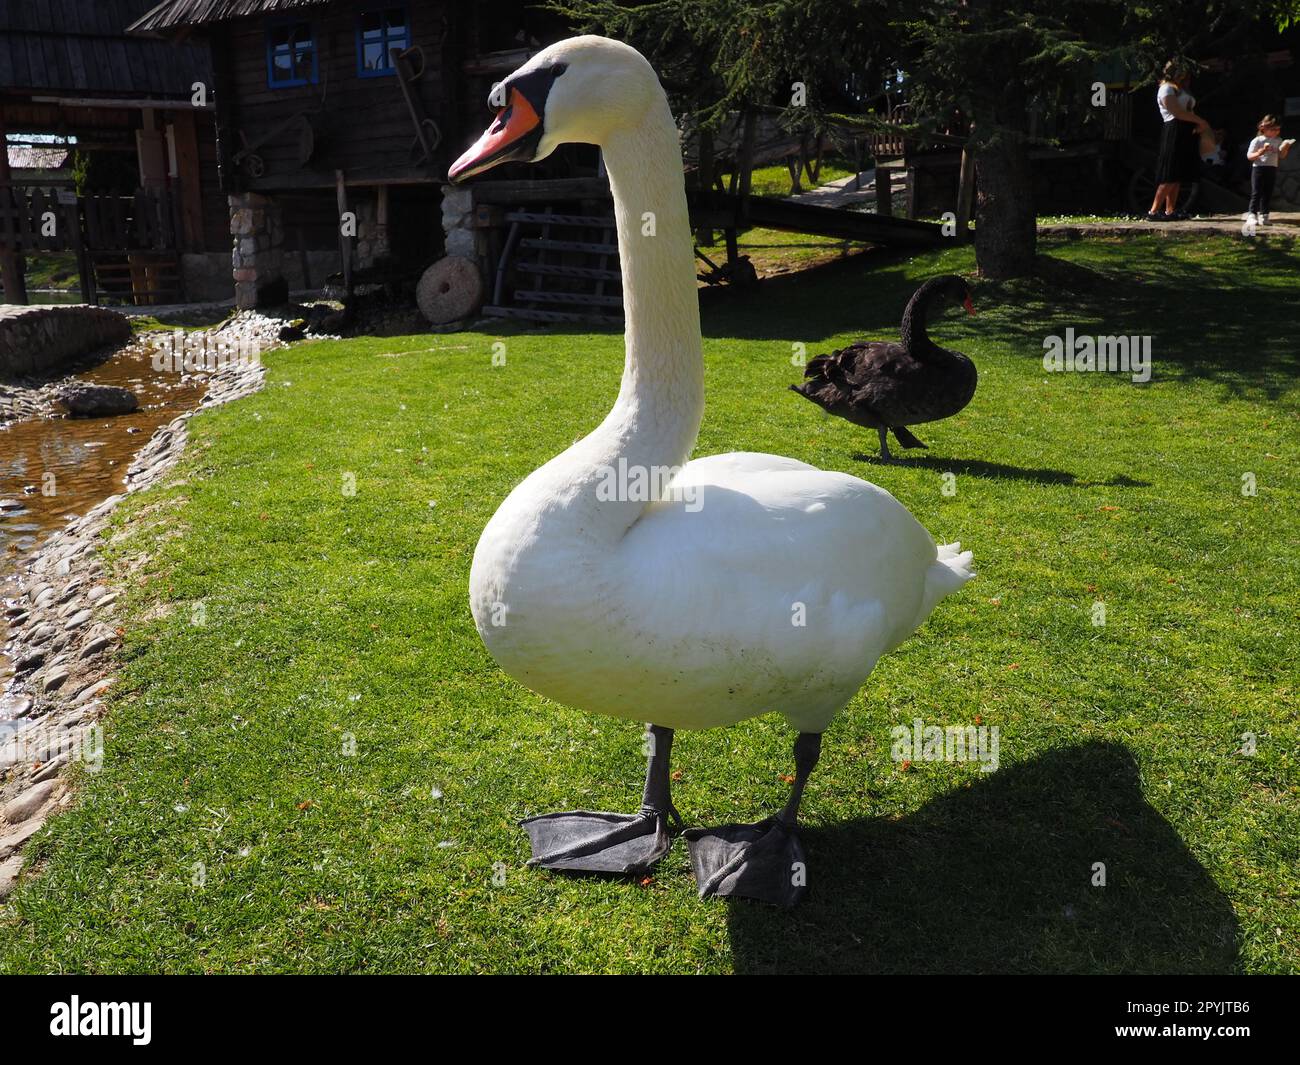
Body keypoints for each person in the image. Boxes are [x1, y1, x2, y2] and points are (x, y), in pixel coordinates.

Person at [1148, 62, 1208, 221]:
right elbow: (1176, 112)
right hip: (1174, 129)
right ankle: (1153, 211)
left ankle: (1170, 210)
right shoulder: (1166, 88)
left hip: (1186, 131)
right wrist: (1200, 121)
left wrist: (1196, 124)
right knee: (1170, 173)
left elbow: (1188, 110)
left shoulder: (1181, 89)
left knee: (1178, 174)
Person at [1246, 114, 1294, 226]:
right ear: (1264, 128)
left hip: (1272, 168)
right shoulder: (1258, 140)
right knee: (1256, 192)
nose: (1276, 132)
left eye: (1278, 129)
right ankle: (1252, 215)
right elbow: (1249, 156)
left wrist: (1286, 147)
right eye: (1273, 129)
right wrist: (1261, 152)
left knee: (1267, 192)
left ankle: (1264, 215)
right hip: (1259, 168)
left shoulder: (1278, 140)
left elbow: (1281, 155)